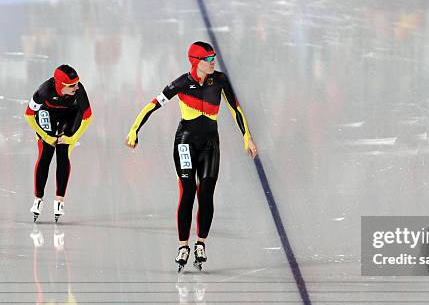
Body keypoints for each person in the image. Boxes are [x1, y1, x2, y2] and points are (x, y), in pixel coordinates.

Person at [125, 41, 258, 272]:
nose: (213, 61)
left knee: (206, 193)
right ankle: (183, 245)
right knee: (187, 191)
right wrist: (134, 130)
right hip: (185, 142)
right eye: (208, 59)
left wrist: (247, 136)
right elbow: (152, 105)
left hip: (210, 144)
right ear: (196, 62)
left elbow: (236, 108)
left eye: (213, 57)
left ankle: (201, 244)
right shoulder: (181, 83)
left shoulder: (220, 80)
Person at [24, 65, 93, 222]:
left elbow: (88, 117)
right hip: (48, 112)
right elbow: (28, 115)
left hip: (71, 114)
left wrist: (72, 139)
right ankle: (38, 198)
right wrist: (44, 136)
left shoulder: (79, 90)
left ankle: (59, 200)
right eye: (72, 85)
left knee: (63, 150)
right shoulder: (45, 90)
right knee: (46, 151)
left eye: (77, 83)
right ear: (61, 85)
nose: (77, 87)